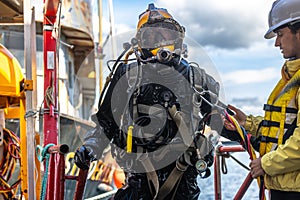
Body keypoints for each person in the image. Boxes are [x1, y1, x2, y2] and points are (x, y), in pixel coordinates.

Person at [74, 3, 222, 200]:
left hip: (183, 181)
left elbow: (220, 119)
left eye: (165, 36)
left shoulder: (196, 79)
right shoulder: (127, 77)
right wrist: (91, 147)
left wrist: (248, 140)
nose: (159, 43)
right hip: (138, 182)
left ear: (177, 40)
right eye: (151, 37)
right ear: (139, 44)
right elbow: (106, 124)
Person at [223, 0, 300, 199]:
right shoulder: (291, 77)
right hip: (285, 188)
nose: (276, 43)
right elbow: (285, 127)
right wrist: (246, 123)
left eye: (281, 35)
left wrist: (265, 164)